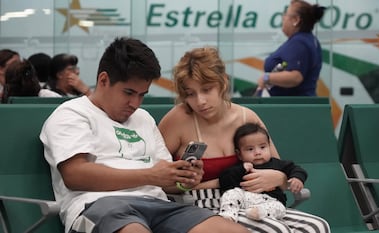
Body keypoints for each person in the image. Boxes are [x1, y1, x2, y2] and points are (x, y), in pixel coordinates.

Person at [40, 37, 249, 233]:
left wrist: (182, 178)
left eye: (142, 95)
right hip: (97, 206)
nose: (135, 104)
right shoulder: (71, 114)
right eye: (129, 93)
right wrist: (150, 175)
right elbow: (75, 176)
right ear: (103, 80)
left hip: (159, 206)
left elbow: (166, 182)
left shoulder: (144, 118)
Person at [158, 46, 330, 233]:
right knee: (276, 230)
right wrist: (190, 184)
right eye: (190, 94)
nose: (200, 101)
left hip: (255, 201)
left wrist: (279, 178)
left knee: (317, 227)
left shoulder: (246, 117)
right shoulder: (177, 119)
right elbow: (154, 180)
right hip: (199, 205)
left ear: (223, 82)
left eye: (207, 89)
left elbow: (278, 169)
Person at [218, 122, 307, 223]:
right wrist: (241, 169)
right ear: (239, 154)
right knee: (230, 194)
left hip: (272, 200)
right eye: (250, 149)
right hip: (245, 199)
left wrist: (297, 178)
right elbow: (225, 180)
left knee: (279, 208)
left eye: (262, 147)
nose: (258, 152)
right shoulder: (239, 168)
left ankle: (259, 212)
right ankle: (228, 215)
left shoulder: (277, 164)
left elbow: (296, 169)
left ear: (269, 146)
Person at [256, 0, 326, 96]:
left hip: (292, 107)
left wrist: (266, 77)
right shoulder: (309, 40)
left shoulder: (299, 43)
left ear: (296, 20)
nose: (283, 18)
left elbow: (295, 77)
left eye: (286, 14)